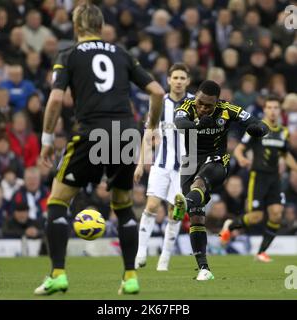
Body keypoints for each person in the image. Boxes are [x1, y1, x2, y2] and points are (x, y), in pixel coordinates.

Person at [34, 1, 164, 296]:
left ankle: (58, 274)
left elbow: (55, 100)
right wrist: (151, 125)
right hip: (126, 133)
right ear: (101, 26)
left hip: (92, 133)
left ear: (77, 26)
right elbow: (157, 91)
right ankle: (130, 278)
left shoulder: (68, 54)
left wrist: (46, 140)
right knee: (123, 206)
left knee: (57, 202)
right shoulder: (121, 54)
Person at [172, 80, 269, 281]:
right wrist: (198, 123)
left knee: (200, 182)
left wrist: (258, 129)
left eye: (208, 105)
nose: (202, 108)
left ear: (217, 102)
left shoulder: (227, 109)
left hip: (216, 159)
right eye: (200, 103)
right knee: (197, 217)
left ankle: (185, 202)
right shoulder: (186, 106)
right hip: (190, 162)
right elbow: (180, 125)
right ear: (195, 97)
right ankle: (204, 269)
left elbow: (256, 122)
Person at [220, 96, 297, 262]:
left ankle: (261, 252)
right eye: (269, 107)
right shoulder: (257, 129)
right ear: (265, 110)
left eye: (276, 108)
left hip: (274, 178)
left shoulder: (283, 131)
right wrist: (240, 157)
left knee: (276, 214)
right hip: (258, 176)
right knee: (256, 217)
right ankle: (230, 225)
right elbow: (240, 148)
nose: (273, 111)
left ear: (280, 110)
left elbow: (285, 154)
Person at [134, 63, 193, 271]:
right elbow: (148, 134)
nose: (178, 81)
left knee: (175, 211)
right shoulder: (158, 103)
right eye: (175, 78)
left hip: (185, 168)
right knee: (151, 206)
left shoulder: (196, 105)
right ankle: (140, 252)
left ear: (188, 81)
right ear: (168, 80)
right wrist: (141, 164)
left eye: (182, 78)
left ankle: (164, 259)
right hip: (161, 163)